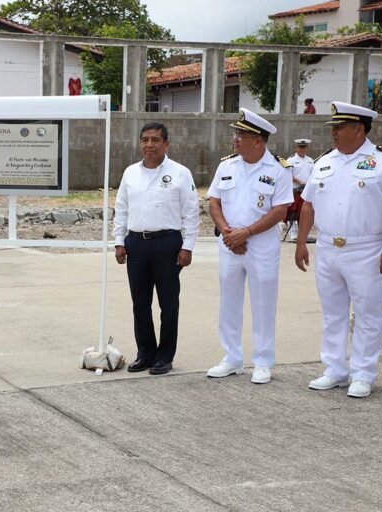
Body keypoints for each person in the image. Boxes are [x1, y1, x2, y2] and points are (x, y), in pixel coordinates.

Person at [296, 101, 382, 398]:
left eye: (340, 127)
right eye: (333, 128)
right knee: (333, 312)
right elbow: (308, 203)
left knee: (368, 313)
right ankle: (335, 369)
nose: (333, 133)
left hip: (367, 249)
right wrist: (300, 242)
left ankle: (363, 373)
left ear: (359, 129)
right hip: (328, 247)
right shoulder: (324, 161)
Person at [206, 108, 293, 384]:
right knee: (229, 303)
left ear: (258, 140)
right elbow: (214, 202)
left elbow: (281, 210)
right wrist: (227, 232)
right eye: (236, 133)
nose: (235, 139)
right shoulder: (227, 166)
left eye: (241, 134)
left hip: (261, 247)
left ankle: (263, 361)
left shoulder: (278, 170)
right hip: (231, 244)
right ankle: (231, 358)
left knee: (263, 303)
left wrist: (247, 232)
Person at [114, 122, 199, 376]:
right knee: (140, 303)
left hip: (167, 244)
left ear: (166, 144)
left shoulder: (180, 173)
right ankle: (145, 353)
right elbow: (122, 209)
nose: (149, 145)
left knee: (168, 303)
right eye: (144, 140)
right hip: (136, 244)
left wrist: (188, 247)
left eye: (155, 140)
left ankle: (165, 356)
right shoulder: (130, 173)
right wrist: (119, 241)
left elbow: (191, 212)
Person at [284, 139, 315, 242]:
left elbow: (313, 174)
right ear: (296, 148)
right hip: (295, 190)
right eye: (300, 147)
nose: (302, 149)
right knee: (293, 211)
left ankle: (303, 234)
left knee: (304, 212)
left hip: (306, 190)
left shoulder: (310, 160)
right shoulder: (290, 160)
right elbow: (287, 175)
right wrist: (299, 181)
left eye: (304, 147)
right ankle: (293, 234)